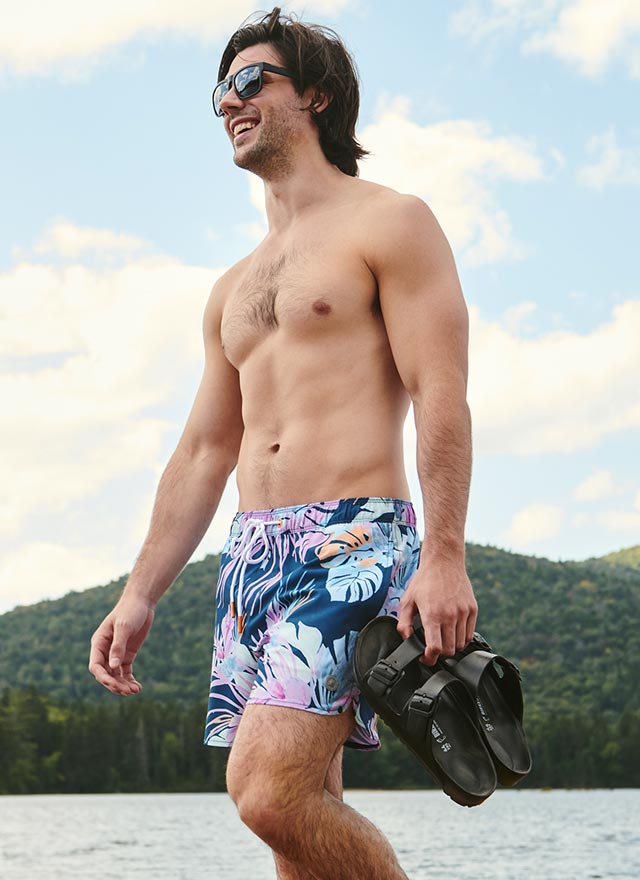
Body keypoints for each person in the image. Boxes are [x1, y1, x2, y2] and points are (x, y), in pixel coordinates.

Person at [88, 7, 478, 879]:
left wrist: (444, 553)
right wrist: (140, 594)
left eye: (248, 80)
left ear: (318, 94)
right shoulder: (231, 287)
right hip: (252, 557)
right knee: (297, 819)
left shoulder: (391, 223)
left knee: (267, 791)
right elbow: (201, 451)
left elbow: (440, 394)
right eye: (219, 91)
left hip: (354, 540)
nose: (229, 102)